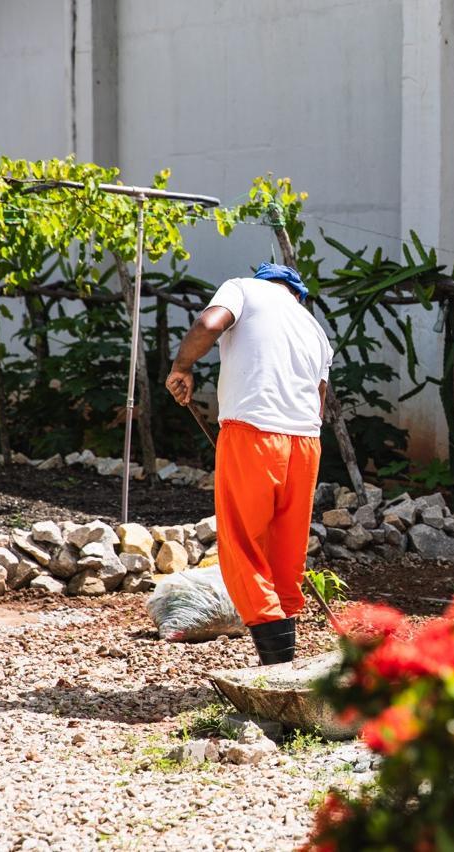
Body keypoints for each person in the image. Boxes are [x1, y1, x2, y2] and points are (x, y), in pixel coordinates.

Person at [164, 263, 332, 664]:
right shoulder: (315, 329)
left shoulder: (243, 288)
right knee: (286, 552)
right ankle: (286, 666)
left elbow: (209, 324)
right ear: (296, 294)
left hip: (253, 434)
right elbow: (320, 398)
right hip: (306, 443)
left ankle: (275, 666)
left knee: (243, 545)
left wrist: (181, 367)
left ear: (265, 282)